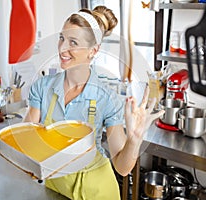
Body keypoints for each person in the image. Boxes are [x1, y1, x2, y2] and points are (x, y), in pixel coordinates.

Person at [24, 5, 164, 200]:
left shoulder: (107, 99)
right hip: (56, 189)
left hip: (96, 191)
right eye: (62, 38)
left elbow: (122, 168)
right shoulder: (42, 87)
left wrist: (133, 140)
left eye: (73, 42)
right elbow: (27, 135)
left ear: (93, 50)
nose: (63, 48)